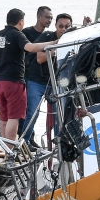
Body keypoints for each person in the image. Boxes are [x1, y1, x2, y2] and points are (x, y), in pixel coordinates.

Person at [0, 8, 51, 148]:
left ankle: (6, 149)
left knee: (4, 118)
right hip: (14, 82)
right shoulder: (17, 35)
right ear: (21, 21)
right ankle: (10, 151)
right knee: (14, 118)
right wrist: (52, 43)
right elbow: (30, 48)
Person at [36, 13, 73, 146]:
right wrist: (59, 46)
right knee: (33, 112)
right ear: (56, 26)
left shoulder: (74, 37)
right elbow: (39, 58)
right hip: (42, 79)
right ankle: (28, 139)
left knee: (62, 113)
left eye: (67, 27)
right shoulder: (48, 37)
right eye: (61, 26)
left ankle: (60, 142)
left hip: (63, 81)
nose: (63, 29)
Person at [21, 6, 53, 142]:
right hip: (28, 76)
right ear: (39, 17)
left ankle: (31, 139)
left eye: (51, 18)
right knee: (31, 111)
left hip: (44, 78)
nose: (49, 20)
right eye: (47, 17)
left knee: (34, 111)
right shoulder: (27, 33)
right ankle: (25, 139)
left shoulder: (48, 35)